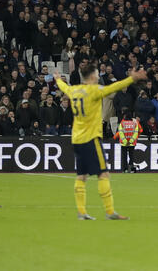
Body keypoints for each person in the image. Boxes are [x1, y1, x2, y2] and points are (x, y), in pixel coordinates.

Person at [55, 65, 147, 220]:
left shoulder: (74, 90)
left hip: (76, 139)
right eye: (97, 74)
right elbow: (114, 87)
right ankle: (110, 212)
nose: (98, 76)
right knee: (103, 173)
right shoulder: (94, 90)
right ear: (91, 76)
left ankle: (81, 212)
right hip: (90, 138)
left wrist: (58, 80)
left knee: (81, 176)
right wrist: (133, 78)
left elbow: (64, 87)